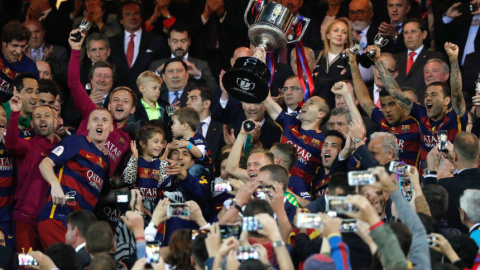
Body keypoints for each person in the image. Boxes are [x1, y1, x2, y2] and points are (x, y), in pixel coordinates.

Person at [374, 42, 467, 165]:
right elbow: (394, 91)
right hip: (424, 178)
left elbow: (456, 91)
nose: (428, 98)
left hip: (449, 176)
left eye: (434, 95)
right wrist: (377, 61)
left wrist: (453, 59)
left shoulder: (456, 116)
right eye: (427, 95)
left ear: (446, 100)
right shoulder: (420, 114)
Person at [37, 108, 113, 249]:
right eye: (95, 119)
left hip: (80, 229)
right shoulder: (75, 142)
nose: (100, 124)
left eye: (104, 120)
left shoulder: (105, 161)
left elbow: (105, 194)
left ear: (111, 127)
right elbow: (45, 164)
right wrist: (55, 184)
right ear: (88, 126)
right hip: (58, 218)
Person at [68, 28, 137, 176]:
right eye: (116, 100)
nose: (119, 104)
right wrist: (75, 50)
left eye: (125, 101)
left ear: (132, 109)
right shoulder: (93, 113)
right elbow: (74, 83)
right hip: (74, 176)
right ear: (109, 105)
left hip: (97, 191)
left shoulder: (128, 141)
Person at [349, 48, 421, 166]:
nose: (387, 110)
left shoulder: (417, 122)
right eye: (383, 105)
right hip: (383, 177)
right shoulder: (382, 119)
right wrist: (353, 64)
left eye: (392, 104)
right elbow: (364, 98)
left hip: (406, 179)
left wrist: (377, 60)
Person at [5, 95, 59, 253]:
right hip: (25, 217)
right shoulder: (27, 145)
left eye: (47, 115)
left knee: (51, 263)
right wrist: (15, 114)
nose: (42, 120)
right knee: (26, 264)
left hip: (52, 219)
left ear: (55, 119)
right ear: (31, 123)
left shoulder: (63, 146)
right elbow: (11, 143)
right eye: (37, 117)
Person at [108, 1, 167, 94]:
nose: (132, 17)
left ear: (141, 17)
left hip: (147, 96)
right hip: (119, 96)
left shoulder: (156, 41)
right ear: (121, 20)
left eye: (136, 13)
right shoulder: (111, 42)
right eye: (128, 14)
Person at [150, 21, 218, 91]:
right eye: (175, 41)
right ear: (169, 42)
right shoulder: (156, 66)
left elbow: (214, 90)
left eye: (183, 41)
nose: (179, 46)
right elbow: (145, 90)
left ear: (189, 41)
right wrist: (157, 74)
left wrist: (198, 75)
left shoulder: (202, 65)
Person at [394, 19, 446, 93]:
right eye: (406, 33)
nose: (409, 36)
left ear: (424, 34)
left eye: (413, 32)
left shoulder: (436, 57)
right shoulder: (395, 58)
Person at [313, 18, 353, 109]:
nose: (339, 34)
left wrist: (318, 77)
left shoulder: (350, 58)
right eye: (336, 30)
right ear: (328, 35)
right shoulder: (316, 55)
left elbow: (347, 82)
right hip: (315, 105)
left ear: (347, 39)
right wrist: (337, 76)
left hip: (338, 106)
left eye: (344, 32)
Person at [123, 125, 166, 206]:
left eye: (161, 142)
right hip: (136, 207)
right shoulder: (135, 161)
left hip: (156, 208)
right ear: (143, 143)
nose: (160, 145)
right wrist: (134, 158)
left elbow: (164, 183)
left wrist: (163, 162)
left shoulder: (162, 162)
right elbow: (129, 180)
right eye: (156, 141)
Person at [0, 21, 39, 102]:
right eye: (15, 46)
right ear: (4, 43)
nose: (18, 51)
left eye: (22, 46)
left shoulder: (30, 67)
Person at [186, 87, 225, 161]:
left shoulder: (221, 130)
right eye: (188, 99)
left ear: (206, 104)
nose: (187, 102)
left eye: (193, 99)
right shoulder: (183, 127)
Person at [171, 107, 214, 174]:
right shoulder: (180, 139)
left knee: (193, 169)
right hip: (190, 167)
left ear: (185, 126)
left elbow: (200, 154)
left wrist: (188, 144)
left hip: (204, 169)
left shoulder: (198, 137)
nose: (171, 126)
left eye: (174, 123)